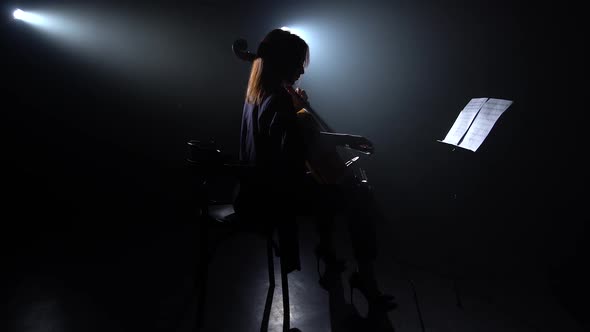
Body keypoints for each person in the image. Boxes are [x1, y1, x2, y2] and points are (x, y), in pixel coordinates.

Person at [234, 28, 396, 315]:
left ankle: (329, 253)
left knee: (329, 188)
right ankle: (364, 278)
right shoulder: (278, 98)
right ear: (283, 61)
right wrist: (347, 138)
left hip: (254, 190)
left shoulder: (257, 94)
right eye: (298, 63)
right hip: (273, 196)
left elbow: (296, 137)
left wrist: (300, 109)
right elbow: (305, 144)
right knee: (357, 196)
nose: (301, 71)